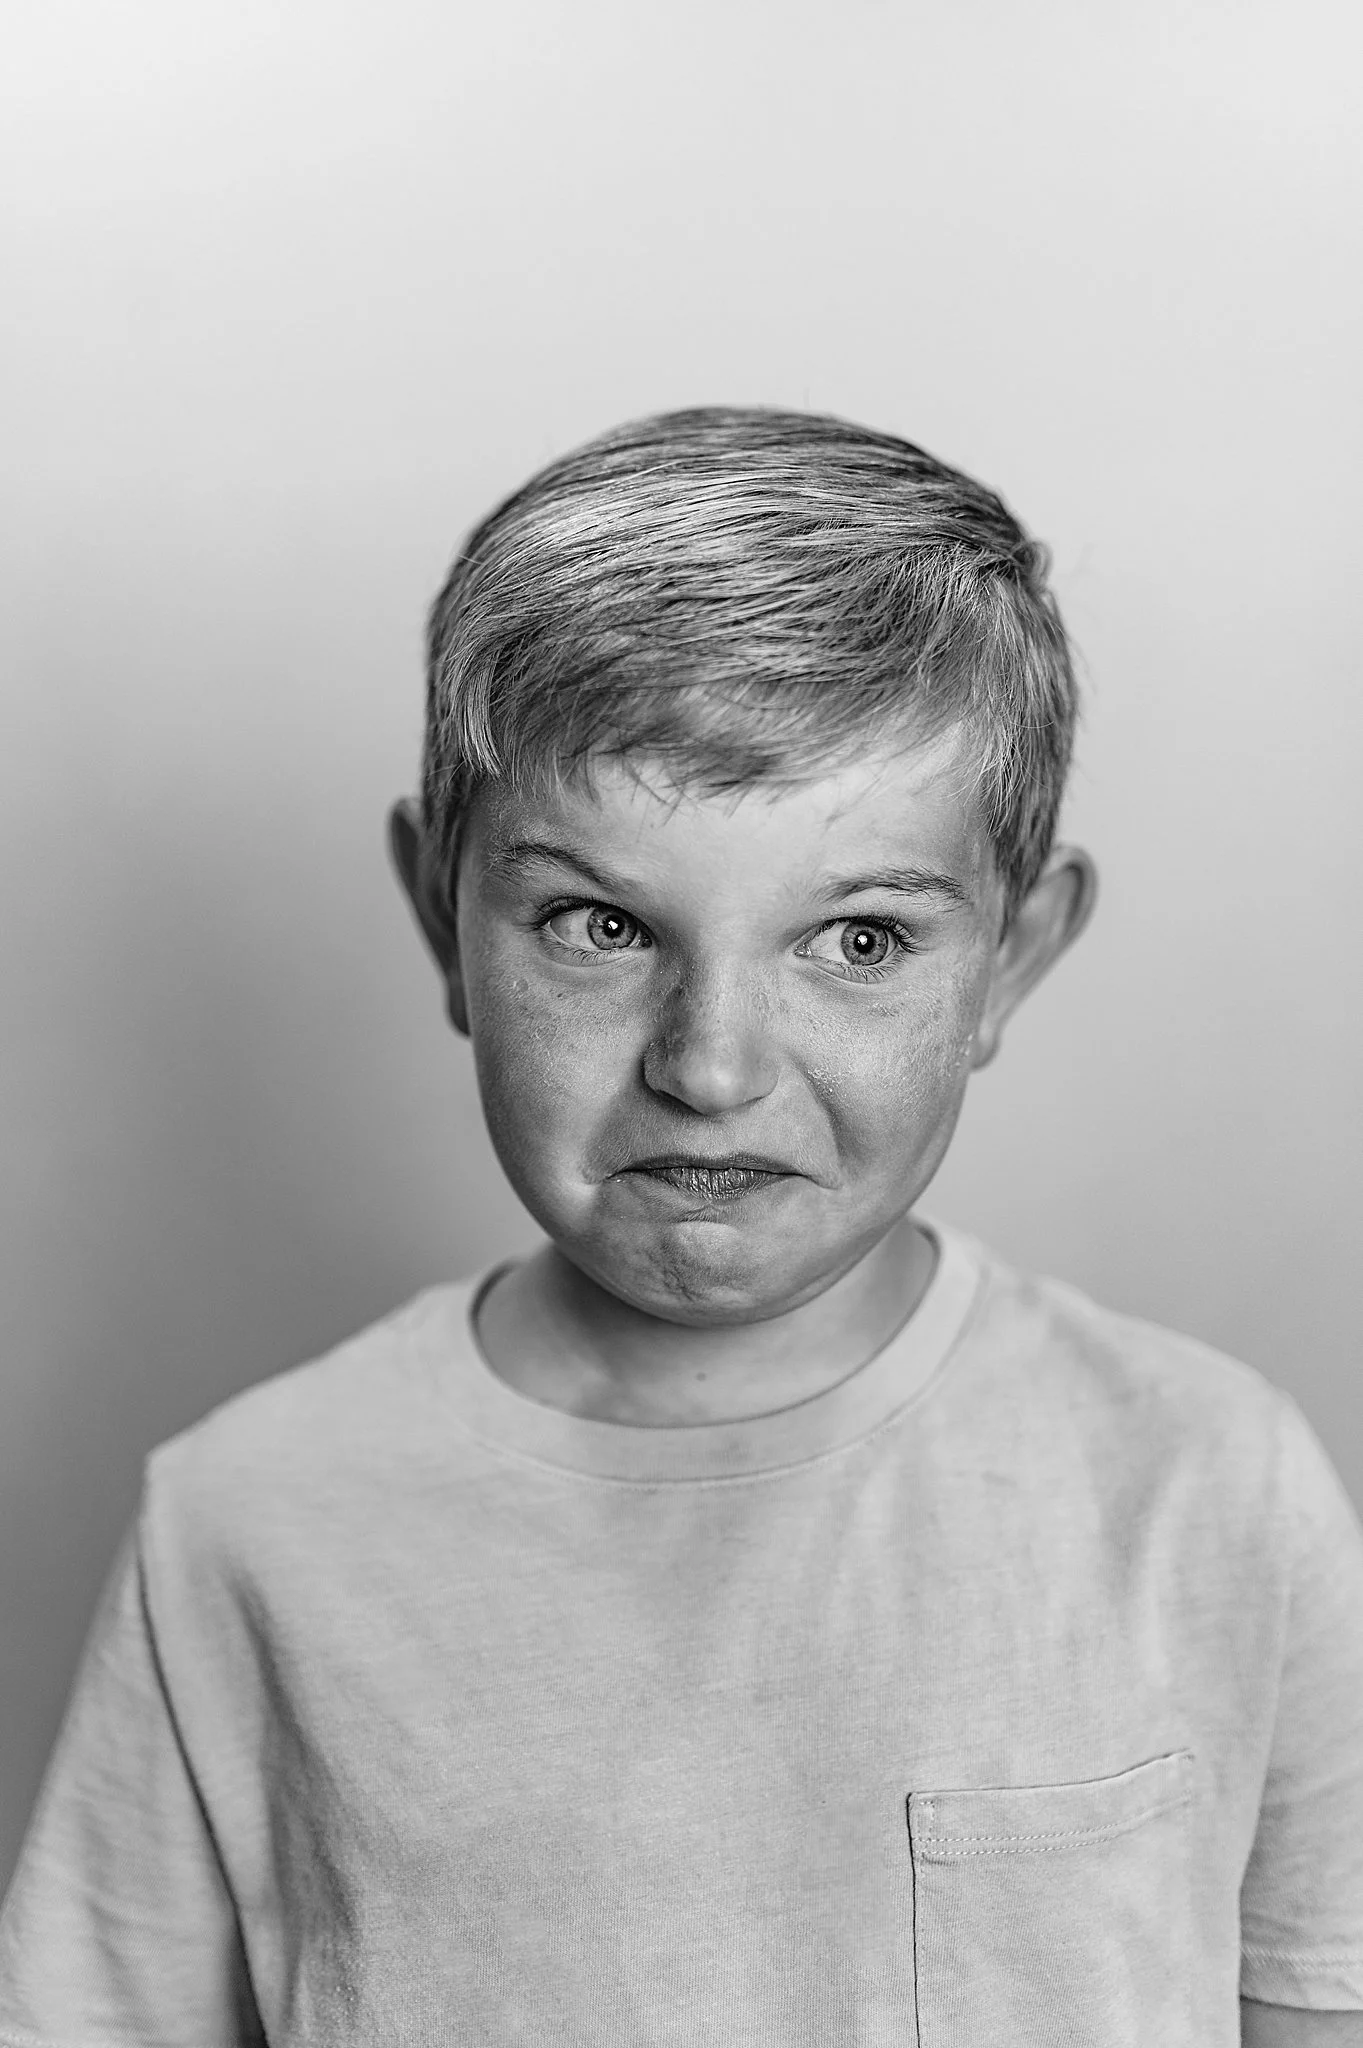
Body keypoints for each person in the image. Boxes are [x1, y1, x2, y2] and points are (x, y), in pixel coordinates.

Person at [1, 408, 1360, 2048]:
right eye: (598, 924)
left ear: (1011, 958)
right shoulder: (245, 1522)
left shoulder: (1206, 1485)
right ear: (443, 914)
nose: (709, 1067)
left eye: (858, 941)